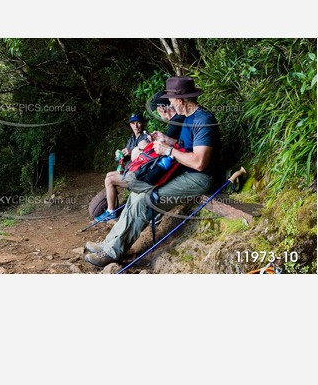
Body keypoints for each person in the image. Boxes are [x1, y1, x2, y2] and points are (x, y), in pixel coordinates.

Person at [85, 76, 221, 267]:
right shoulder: (190, 118)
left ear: (180, 101)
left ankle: (113, 252)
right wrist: (168, 141)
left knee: (145, 200)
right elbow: (186, 146)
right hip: (186, 171)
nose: (170, 106)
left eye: (172, 101)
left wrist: (168, 151)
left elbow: (199, 162)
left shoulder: (203, 120)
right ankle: (109, 244)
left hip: (199, 177)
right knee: (136, 194)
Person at [93, 113, 151, 222]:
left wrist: (132, 151)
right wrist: (119, 155)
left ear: (142, 123)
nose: (136, 125)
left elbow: (148, 156)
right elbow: (124, 158)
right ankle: (113, 205)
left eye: (138, 122)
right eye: (133, 123)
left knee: (109, 180)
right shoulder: (132, 138)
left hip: (141, 175)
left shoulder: (146, 136)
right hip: (131, 170)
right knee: (109, 175)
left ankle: (111, 212)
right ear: (130, 125)